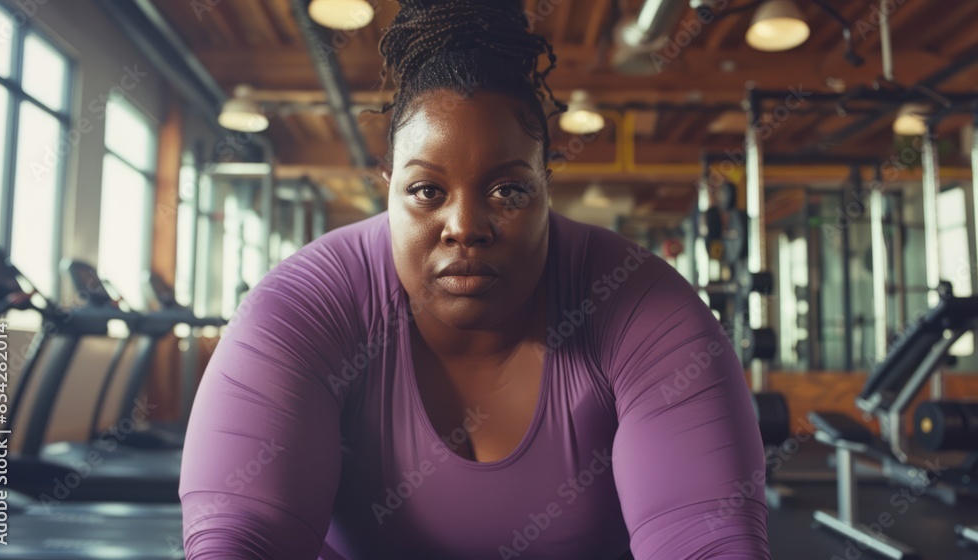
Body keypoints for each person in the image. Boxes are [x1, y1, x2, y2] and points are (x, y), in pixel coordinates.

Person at [178, 0, 770, 558]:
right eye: (426, 191)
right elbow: (241, 533)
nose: (465, 227)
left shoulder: (643, 305)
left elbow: (707, 536)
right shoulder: (302, 306)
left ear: (546, 186)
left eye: (507, 190)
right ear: (387, 186)